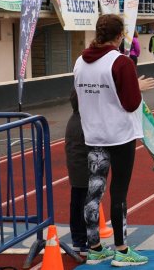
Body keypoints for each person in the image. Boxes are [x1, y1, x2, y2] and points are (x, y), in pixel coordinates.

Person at [74, 14, 154, 266]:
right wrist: (136, 88)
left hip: (94, 135)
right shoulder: (121, 62)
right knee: (119, 191)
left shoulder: (80, 62)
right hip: (119, 136)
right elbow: (131, 102)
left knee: (94, 191)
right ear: (119, 36)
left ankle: (95, 247)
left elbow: (78, 99)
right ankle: (121, 250)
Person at [64, 89, 91, 257]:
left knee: (78, 201)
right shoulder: (83, 122)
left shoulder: (75, 119)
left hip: (77, 167)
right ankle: (81, 240)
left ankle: (79, 240)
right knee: (82, 203)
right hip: (82, 167)